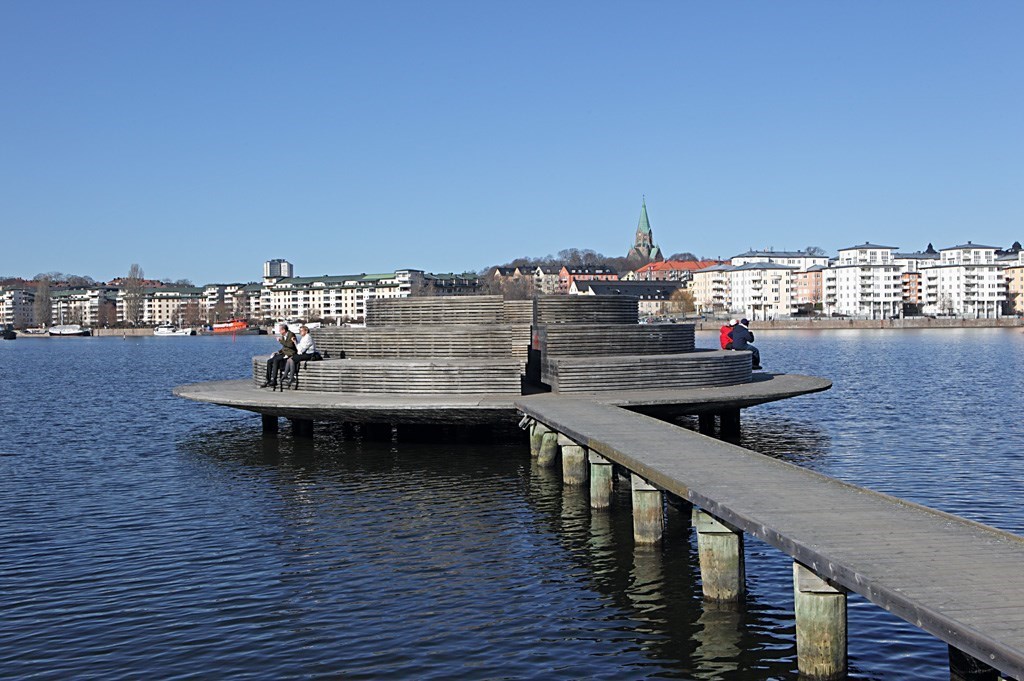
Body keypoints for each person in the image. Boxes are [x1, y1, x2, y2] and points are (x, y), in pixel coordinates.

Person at [261, 323, 297, 388]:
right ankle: (268, 380)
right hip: (284, 352)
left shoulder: (291, 334)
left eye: (280, 330)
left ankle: (274, 380)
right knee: (269, 361)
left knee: (276, 360)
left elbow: (290, 345)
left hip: (289, 353)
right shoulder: (283, 336)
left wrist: (280, 341)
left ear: (283, 330)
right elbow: (284, 347)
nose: (279, 332)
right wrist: (278, 352)